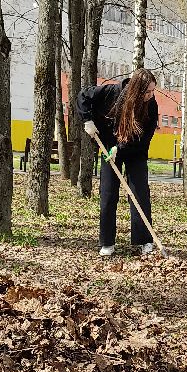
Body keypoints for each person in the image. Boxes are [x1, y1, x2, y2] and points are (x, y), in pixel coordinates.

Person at [77, 69, 158, 256]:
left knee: (140, 193)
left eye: (153, 91)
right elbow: (83, 96)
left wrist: (120, 149)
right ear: (136, 90)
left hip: (135, 149)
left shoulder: (151, 105)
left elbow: (145, 137)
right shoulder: (111, 93)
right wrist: (87, 120)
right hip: (108, 146)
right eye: (147, 92)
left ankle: (144, 240)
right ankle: (107, 242)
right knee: (108, 193)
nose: (151, 95)